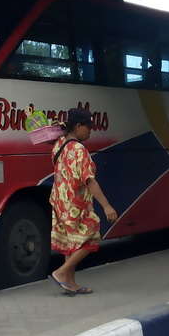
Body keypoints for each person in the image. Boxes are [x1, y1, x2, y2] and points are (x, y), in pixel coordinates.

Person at [49, 108, 118, 295]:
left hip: (59, 200)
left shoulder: (59, 144)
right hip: (75, 203)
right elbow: (90, 181)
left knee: (69, 243)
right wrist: (106, 205)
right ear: (78, 126)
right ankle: (61, 273)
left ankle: (70, 284)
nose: (90, 131)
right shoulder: (80, 150)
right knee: (92, 237)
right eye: (89, 127)